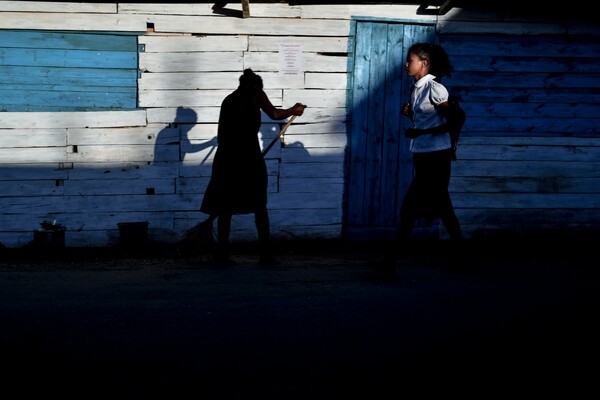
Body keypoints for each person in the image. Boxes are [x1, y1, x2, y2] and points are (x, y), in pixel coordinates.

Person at [200, 68, 306, 266]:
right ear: (257, 87)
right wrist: (294, 110)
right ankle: (265, 256)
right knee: (259, 204)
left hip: (226, 159)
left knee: (225, 206)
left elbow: (223, 134)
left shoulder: (229, 99)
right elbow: (274, 114)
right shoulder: (255, 95)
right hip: (248, 158)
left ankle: (222, 255)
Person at [385, 43, 466, 271]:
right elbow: (429, 120)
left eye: (410, 60)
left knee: (410, 208)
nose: (406, 64)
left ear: (424, 63)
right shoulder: (416, 88)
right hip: (423, 155)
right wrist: (412, 117)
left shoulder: (434, 88)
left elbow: (456, 119)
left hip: (436, 158)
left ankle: (390, 262)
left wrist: (421, 131)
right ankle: (464, 258)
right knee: (443, 208)